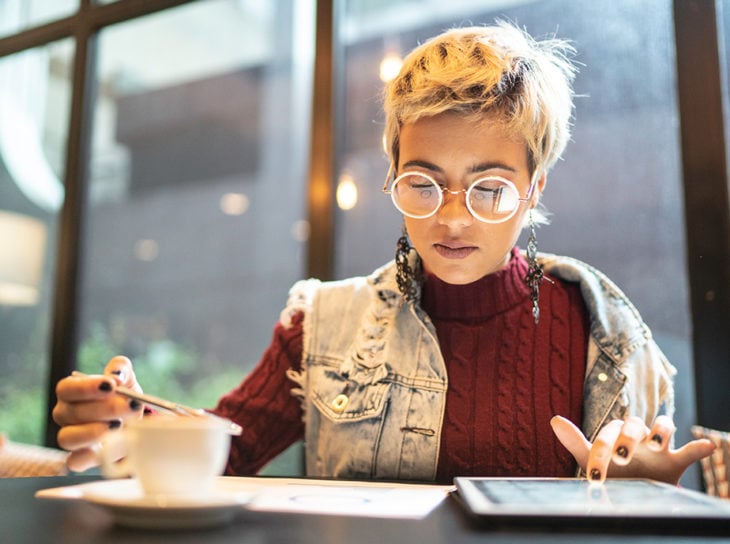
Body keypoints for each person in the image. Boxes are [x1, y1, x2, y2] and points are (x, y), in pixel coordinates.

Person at [53, 21, 713, 486]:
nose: (451, 218)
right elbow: (227, 451)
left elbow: (651, 486)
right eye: (423, 184)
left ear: (535, 187)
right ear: (392, 172)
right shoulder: (322, 323)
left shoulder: (608, 332)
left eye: (489, 189)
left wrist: (650, 486)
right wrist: (135, 423)